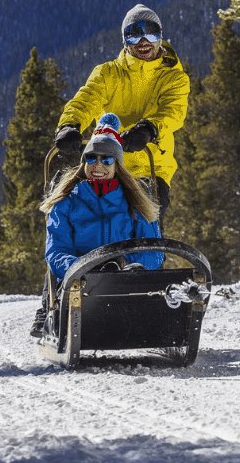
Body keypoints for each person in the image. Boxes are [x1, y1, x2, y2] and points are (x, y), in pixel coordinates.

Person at [30, 113, 162, 337]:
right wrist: (79, 267)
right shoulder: (66, 203)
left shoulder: (136, 203)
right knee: (73, 278)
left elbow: (154, 253)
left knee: (133, 276)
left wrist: (127, 263)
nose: (98, 164)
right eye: (91, 158)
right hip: (80, 282)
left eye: (107, 159)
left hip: (125, 282)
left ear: (117, 165)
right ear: (83, 163)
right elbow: (56, 250)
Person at [53, 4, 189, 219]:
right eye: (134, 35)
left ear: (160, 37)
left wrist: (149, 129)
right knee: (74, 210)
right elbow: (87, 99)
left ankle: (147, 251)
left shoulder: (174, 77)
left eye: (151, 33)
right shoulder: (108, 73)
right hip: (106, 163)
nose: (143, 42)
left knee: (141, 218)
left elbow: (173, 112)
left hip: (150, 166)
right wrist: (70, 124)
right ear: (125, 41)